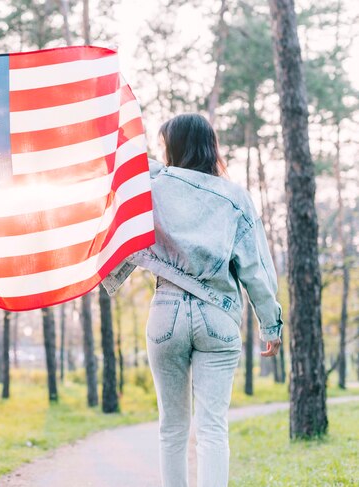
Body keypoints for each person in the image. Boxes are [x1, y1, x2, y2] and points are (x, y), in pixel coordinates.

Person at [102, 113, 283, 487]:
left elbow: (124, 170)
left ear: (175, 147)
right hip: (217, 316)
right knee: (212, 427)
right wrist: (270, 324)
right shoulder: (235, 197)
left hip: (165, 313)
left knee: (172, 426)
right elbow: (256, 268)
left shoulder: (153, 184)